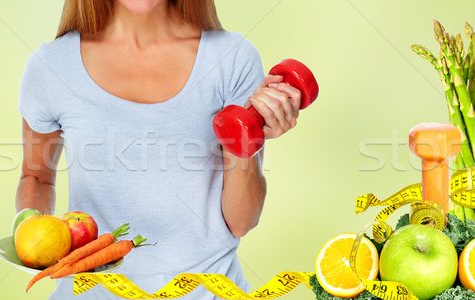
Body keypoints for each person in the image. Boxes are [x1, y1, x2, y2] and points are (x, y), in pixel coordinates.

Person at [16, 0, 302, 298]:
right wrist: (37, 238)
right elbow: (36, 177)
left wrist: (248, 142)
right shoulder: (52, 65)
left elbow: (241, 222)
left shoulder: (231, 58)